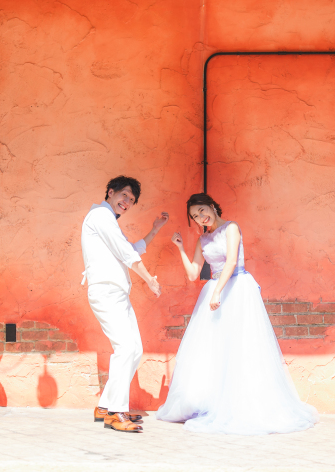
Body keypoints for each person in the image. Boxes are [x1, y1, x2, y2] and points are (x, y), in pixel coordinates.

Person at [156, 193, 318, 435]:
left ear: (212, 206)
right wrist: (180, 248)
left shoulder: (231, 227)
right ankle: (213, 403)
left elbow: (231, 262)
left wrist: (217, 292)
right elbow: (192, 274)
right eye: (194, 216)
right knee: (213, 349)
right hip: (215, 291)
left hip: (237, 289)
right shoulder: (203, 239)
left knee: (241, 346)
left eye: (202, 211)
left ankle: (243, 404)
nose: (200, 218)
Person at [81, 175, 169, 433]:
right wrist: (150, 281)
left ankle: (105, 406)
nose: (127, 201)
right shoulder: (100, 216)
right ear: (110, 192)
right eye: (124, 195)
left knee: (135, 349)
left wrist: (155, 229)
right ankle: (116, 413)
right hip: (107, 291)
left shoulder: (107, 220)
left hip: (118, 293)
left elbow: (129, 247)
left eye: (131, 200)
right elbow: (126, 252)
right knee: (125, 348)